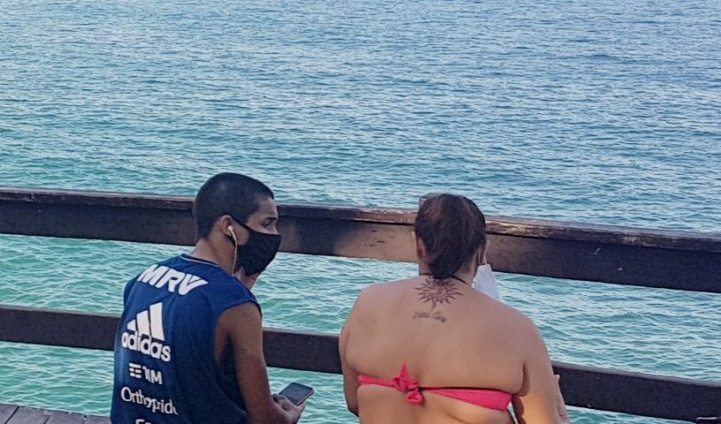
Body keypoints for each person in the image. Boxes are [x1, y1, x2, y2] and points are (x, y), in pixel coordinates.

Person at [338, 193, 569, 423]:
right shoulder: (516, 328)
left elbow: (354, 402)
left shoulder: (369, 302)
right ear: (481, 251)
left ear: (419, 245)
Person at [111, 172, 303, 424]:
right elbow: (263, 419)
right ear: (228, 226)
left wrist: (239, 289)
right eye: (267, 223)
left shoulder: (144, 278)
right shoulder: (235, 303)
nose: (274, 234)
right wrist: (288, 416)